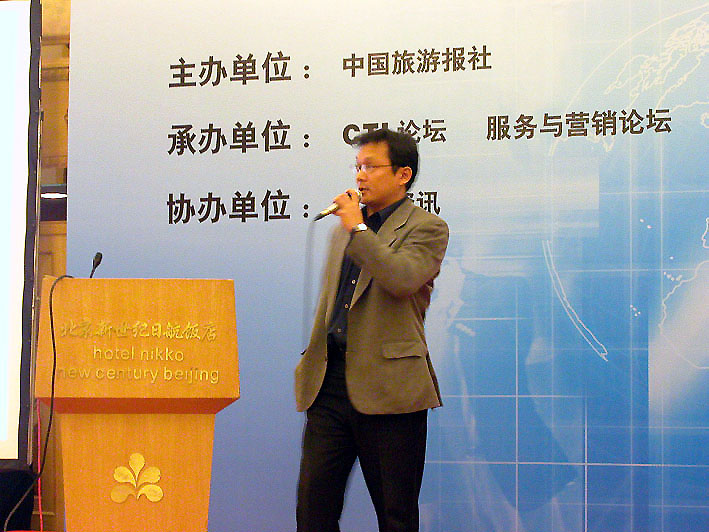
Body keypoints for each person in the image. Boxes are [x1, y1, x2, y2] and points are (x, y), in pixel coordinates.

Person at [295, 128, 449, 532]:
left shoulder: (427, 228)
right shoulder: (343, 230)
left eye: (371, 166)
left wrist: (359, 231)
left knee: (395, 514)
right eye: (357, 166)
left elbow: (401, 278)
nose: (360, 176)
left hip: (390, 389)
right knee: (313, 510)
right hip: (329, 385)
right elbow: (331, 302)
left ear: (403, 175)